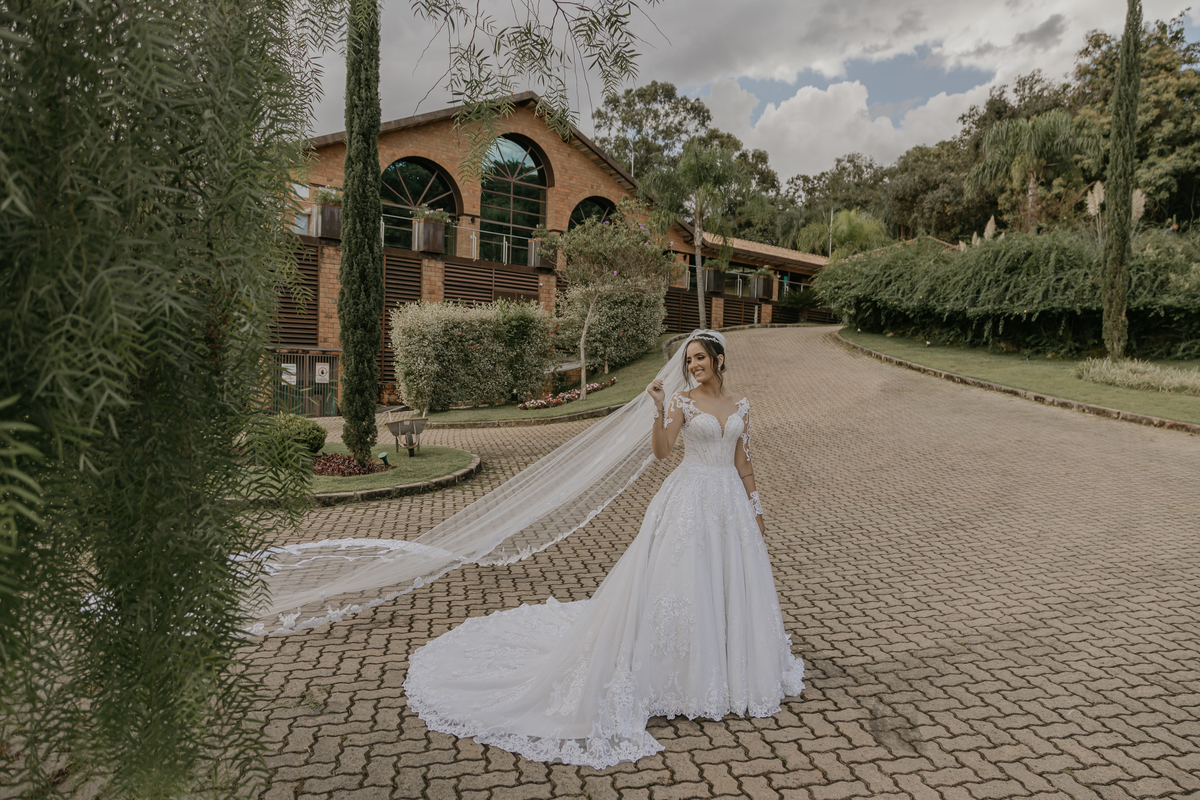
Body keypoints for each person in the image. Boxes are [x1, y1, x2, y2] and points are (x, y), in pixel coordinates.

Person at [403, 330, 804, 768]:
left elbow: (743, 461)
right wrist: (658, 410)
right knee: (688, 581)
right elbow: (663, 451)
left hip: (730, 504)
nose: (693, 366)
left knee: (730, 581)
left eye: (700, 358)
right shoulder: (681, 401)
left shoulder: (741, 404)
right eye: (689, 360)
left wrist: (755, 507)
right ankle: (682, 676)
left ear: (719, 359)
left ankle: (731, 666)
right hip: (690, 500)